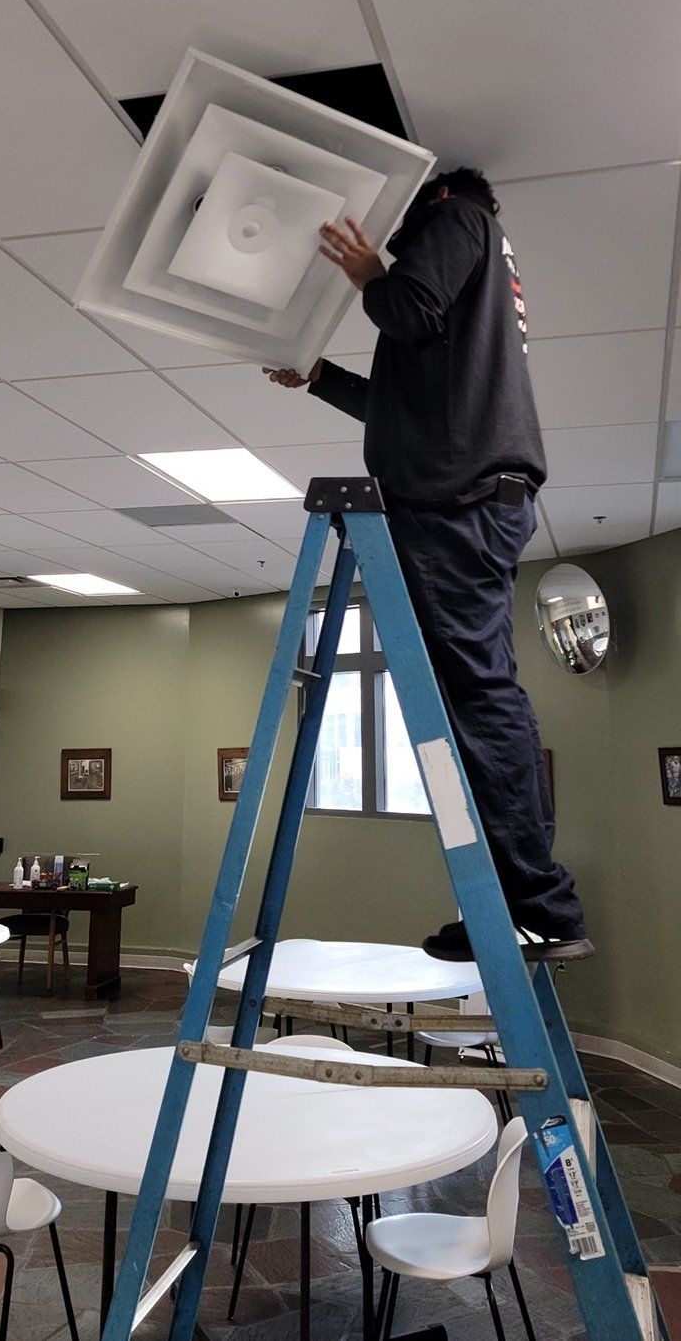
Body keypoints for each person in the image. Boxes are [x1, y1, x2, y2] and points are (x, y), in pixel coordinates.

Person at [263, 166, 591, 963]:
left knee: (478, 698)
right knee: (471, 698)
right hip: (469, 499)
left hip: (457, 502)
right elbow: (411, 394)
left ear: (433, 197)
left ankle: (541, 907)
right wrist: (320, 380)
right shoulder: (475, 278)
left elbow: (407, 307)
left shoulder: (458, 218)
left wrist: (371, 269)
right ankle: (511, 906)